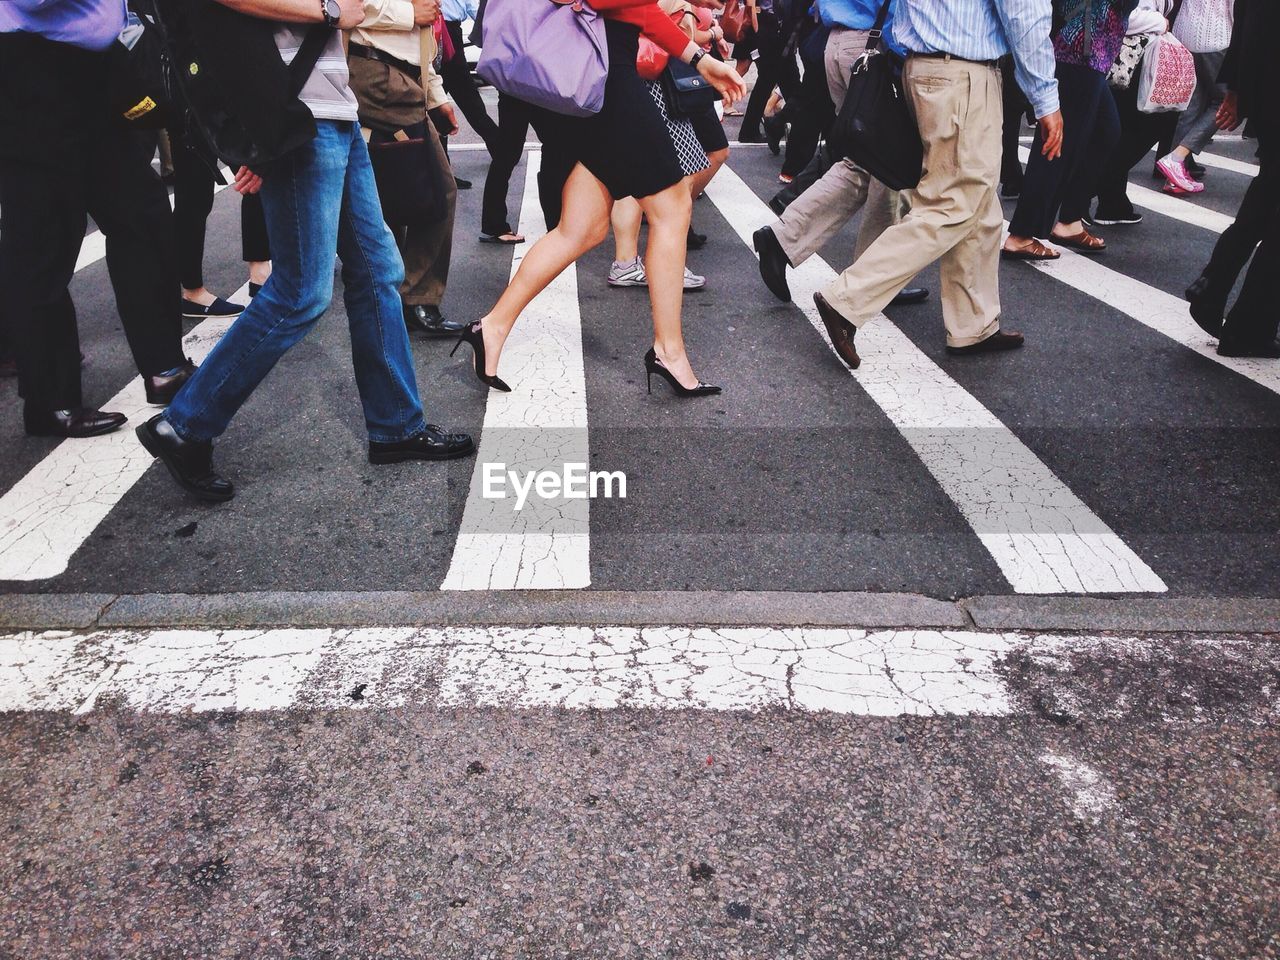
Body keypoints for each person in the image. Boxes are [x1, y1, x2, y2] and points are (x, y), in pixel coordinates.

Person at [136, 0, 474, 502]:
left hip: (333, 108)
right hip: (301, 115)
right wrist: (331, 10)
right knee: (300, 293)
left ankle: (397, 426)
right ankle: (185, 425)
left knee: (380, 271)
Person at [454, 0, 746, 398]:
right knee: (673, 206)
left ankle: (492, 327)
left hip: (601, 64)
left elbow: (637, 10)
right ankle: (668, 351)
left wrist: (698, 59)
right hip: (605, 72)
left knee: (583, 227)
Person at [806, 0, 1063, 369]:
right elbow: (1024, 12)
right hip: (963, 72)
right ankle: (847, 298)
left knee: (979, 202)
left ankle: (973, 324)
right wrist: (1045, 97)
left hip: (925, 65)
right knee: (952, 203)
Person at [0, 0, 195, 439]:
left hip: (95, 66)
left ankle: (165, 367)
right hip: (31, 67)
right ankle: (51, 403)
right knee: (40, 245)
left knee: (144, 219)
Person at [752, 0, 929, 310]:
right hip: (872, 42)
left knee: (861, 161)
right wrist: (903, 53)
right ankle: (872, 276)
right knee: (889, 165)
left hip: (838, 42)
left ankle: (783, 238)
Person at [348, 0, 465, 338]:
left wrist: (436, 96)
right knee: (429, 188)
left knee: (404, 187)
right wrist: (409, 13)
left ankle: (400, 295)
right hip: (376, 74)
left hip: (402, 79)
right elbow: (344, 6)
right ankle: (407, 296)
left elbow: (422, 37)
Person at [1002, 0, 1137, 262]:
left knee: (1105, 133)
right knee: (1057, 143)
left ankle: (1070, 220)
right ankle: (1021, 235)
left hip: (1094, 53)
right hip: (1078, 49)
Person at [1185, 0, 1278, 357]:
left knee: (1268, 190)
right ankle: (1250, 325)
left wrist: (1238, 89)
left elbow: (1248, 16)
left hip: (1267, 85)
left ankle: (1214, 285)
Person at [1090, 0, 1176, 225]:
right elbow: (1125, 16)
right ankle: (1095, 185)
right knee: (1153, 122)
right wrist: (1160, 22)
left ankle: (1112, 201)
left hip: (1135, 57)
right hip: (1125, 58)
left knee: (1125, 127)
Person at [1154, 0, 1234, 195]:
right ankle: (1177, 158)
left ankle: (1174, 175)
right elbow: (1235, 9)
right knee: (1225, 104)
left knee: (1191, 105)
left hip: (1185, 33)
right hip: (1216, 37)